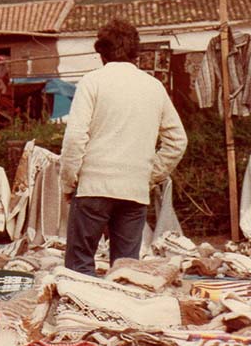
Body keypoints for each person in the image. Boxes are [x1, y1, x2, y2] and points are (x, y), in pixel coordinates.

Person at [60, 19, 187, 276]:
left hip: (94, 186)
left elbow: (75, 138)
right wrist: (150, 175)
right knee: (126, 269)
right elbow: (177, 141)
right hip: (134, 189)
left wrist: (68, 181)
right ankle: (121, 311)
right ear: (135, 51)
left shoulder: (91, 82)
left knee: (80, 264)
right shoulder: (154, 87)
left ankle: (80, 313)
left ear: (101, 51)